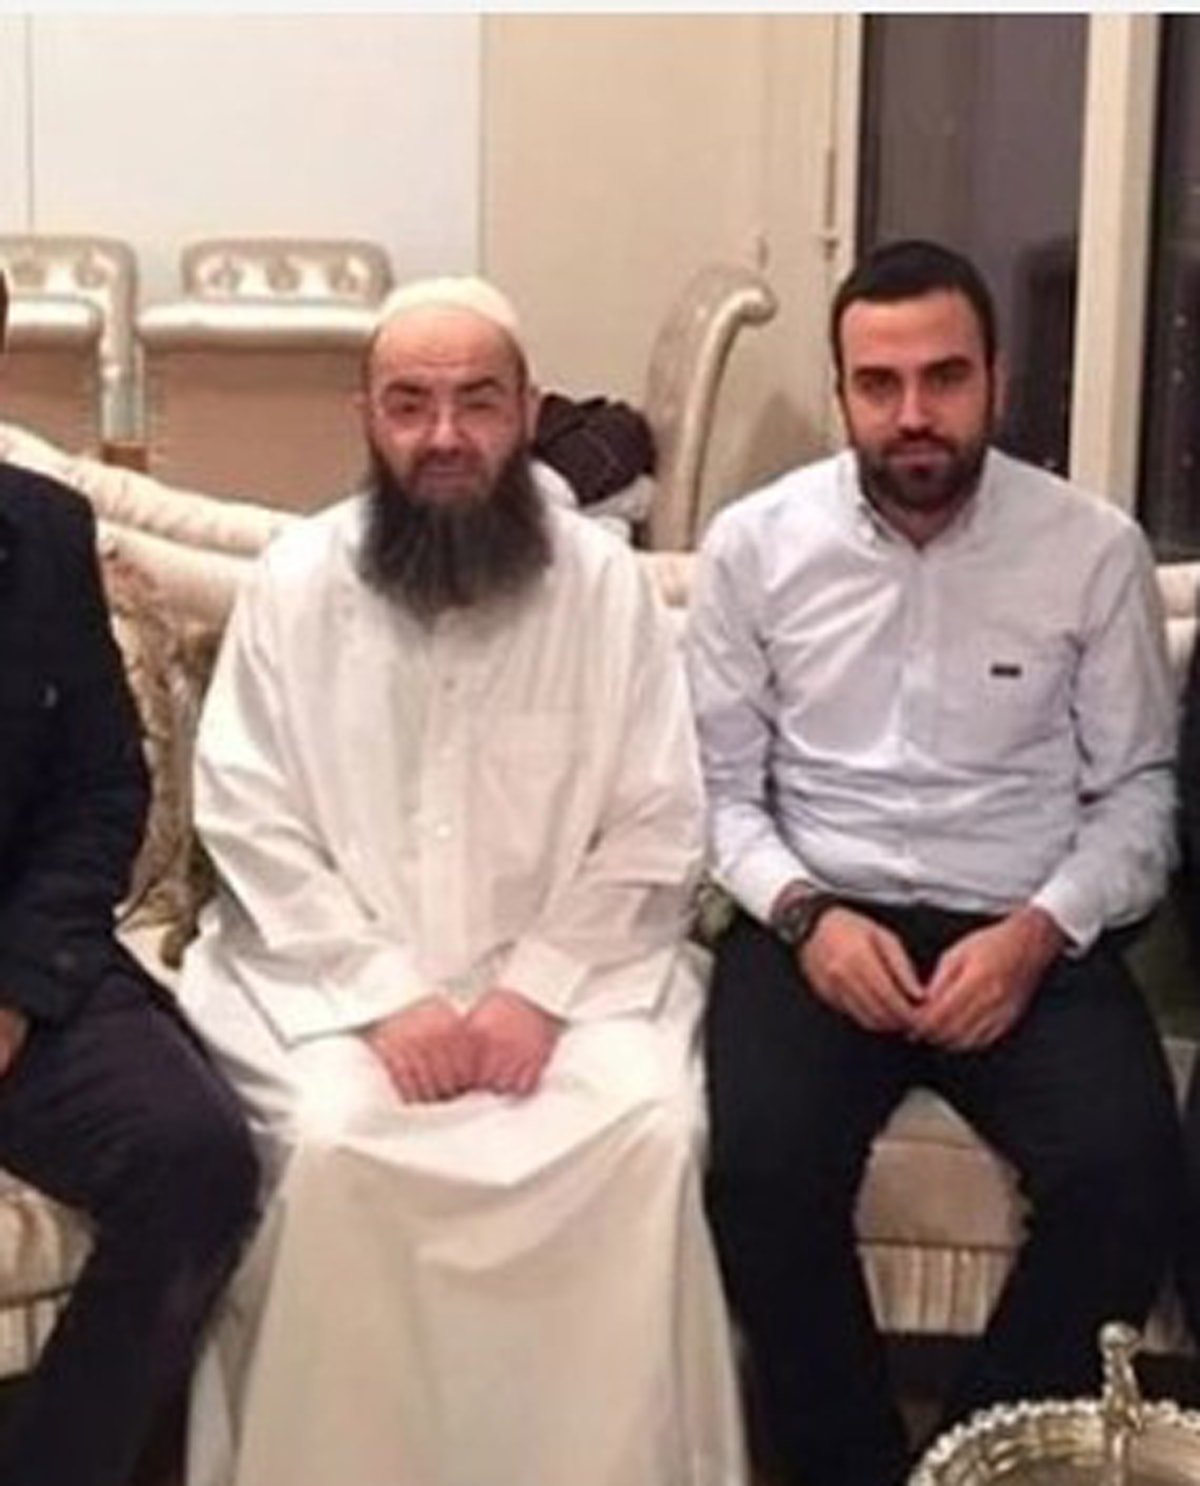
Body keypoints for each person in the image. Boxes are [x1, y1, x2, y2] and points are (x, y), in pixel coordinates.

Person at [177, 275, 746, 1486]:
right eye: (410, 404)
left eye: (478, 402)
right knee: (337, 1144)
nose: (444, 435)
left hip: (572, 989)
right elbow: (249, 814)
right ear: (366, 419)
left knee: (649, 1130)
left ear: (529, 412)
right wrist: (385, 998)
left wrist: (536, 992)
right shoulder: (295, 583)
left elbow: (656, 819)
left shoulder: (605, 589)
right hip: (330, 990)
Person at [685, 238, 1183, 1486]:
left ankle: (968, 1465)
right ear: (843, 391)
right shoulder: (753, 547)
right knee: (757, 1174)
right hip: (820, 918)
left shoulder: (1091, 549)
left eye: (945, 377)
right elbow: (720, 796)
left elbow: (1138, 796)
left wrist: (1036, 932)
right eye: (880, 383)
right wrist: (806, 915)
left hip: (1026, 921)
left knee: (1128, 1178)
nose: (913, 413)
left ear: (996, 381)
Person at [0, 269, 259, 1486]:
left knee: (197, 1161)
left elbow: (103, 789)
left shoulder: (42, 533)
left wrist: (15, 988)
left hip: (23, 964)